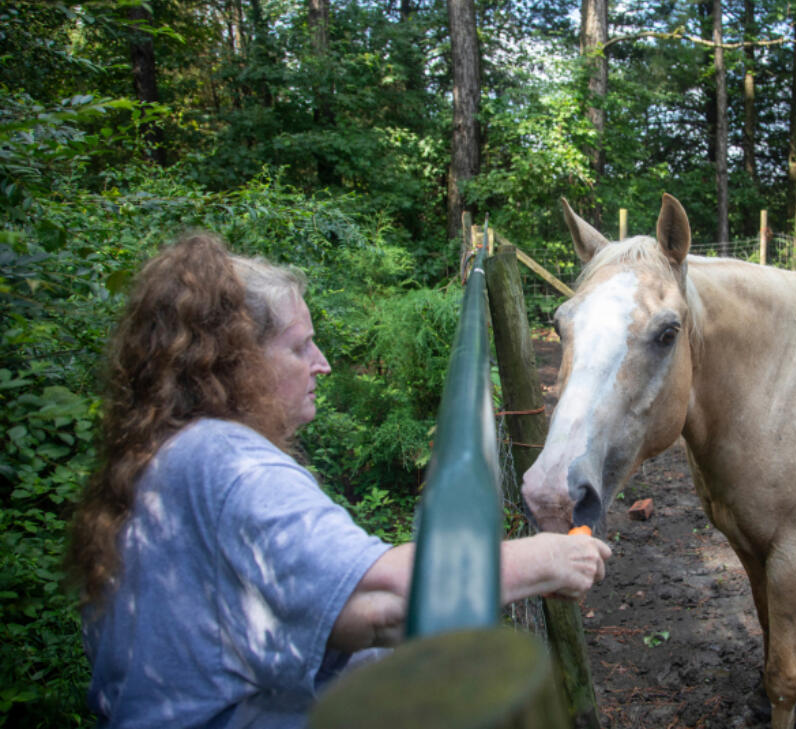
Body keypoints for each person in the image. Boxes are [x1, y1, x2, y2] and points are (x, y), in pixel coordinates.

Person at [66, 233, 611, 728]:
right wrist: (550, 558)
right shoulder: (226, 461)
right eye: (300, 345)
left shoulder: (156, 459)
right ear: (235, 361)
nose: (321, 363)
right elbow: (383, 599)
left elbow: (341, 615)